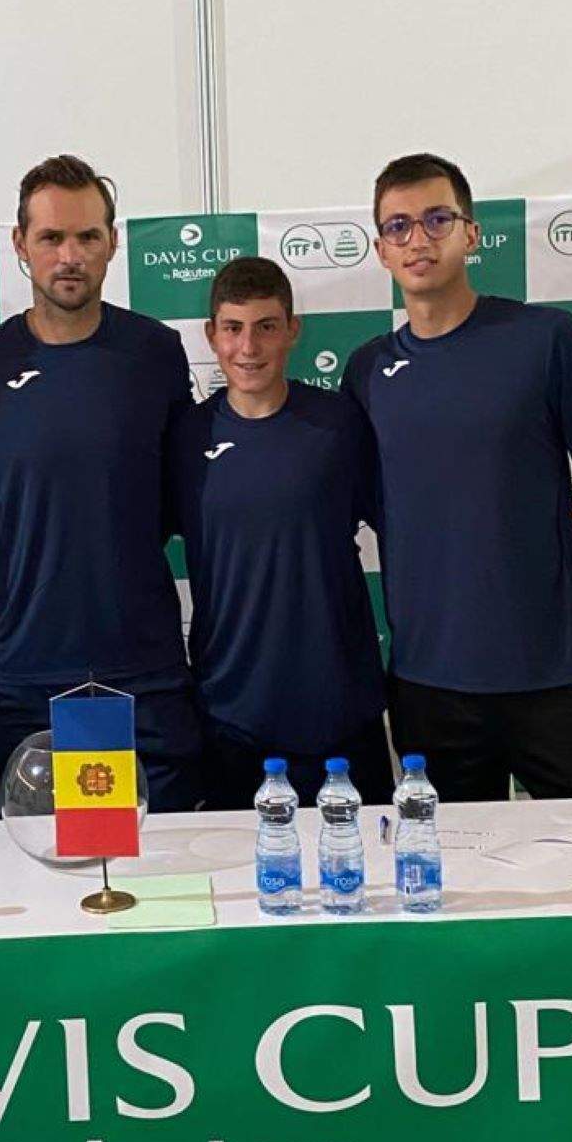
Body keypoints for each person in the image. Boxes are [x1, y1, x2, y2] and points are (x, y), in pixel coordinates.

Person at [345, 152, 572, 802]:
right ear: (381, 249)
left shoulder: (544, 337)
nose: (419, 239)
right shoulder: (365, 373)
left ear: (471, 233)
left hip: (559, 681)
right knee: (456, 898)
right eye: (400, 226)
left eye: (438, 219)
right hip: (430, 692)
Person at [0, 155, 202, 817]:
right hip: (28, 676)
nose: (70, 255)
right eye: (52, 237)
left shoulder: (155, 354)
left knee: (146, 883)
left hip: (140, 673)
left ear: (113, 242)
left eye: (88, 236)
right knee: (42, 882)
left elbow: (176, 493)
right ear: (20, 245)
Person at [169, 257, 393, 808]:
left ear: (292, 330)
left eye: (266, 326)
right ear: (212, 335)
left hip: (342, 709)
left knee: (365, 882)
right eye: (233, 328)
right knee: (240, 888)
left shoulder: (340, 424)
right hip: (231, 714)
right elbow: (117, 540)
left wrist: (544, 524)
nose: (249, 347)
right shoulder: (183, 438)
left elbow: (421, 521)